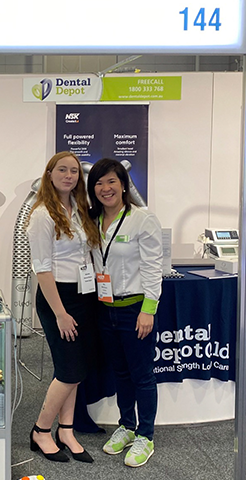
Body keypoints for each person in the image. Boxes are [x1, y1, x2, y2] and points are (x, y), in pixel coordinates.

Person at [87, 158, 163, 468]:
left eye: (111, 181)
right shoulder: (92, 220)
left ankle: (146, 435)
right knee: (120, 373)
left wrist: (148, 310)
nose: (105, 188)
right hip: (105, 310)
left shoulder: (141, 219)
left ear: (123, 185)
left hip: (134, 309)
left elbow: (153, 267)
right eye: (99, 183)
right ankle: (127, 426)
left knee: (142, 375)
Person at [27, 151, 100, 463]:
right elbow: (42, 269)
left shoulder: (80, 209)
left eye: (74, 171)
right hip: (58, 298)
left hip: (84, 295)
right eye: (62, 170)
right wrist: (60, 313)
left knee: (77, 369)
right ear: (49, 174)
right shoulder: (42, 215)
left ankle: (66, 431)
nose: (69, 176)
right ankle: (41, 430)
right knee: (69, 371)